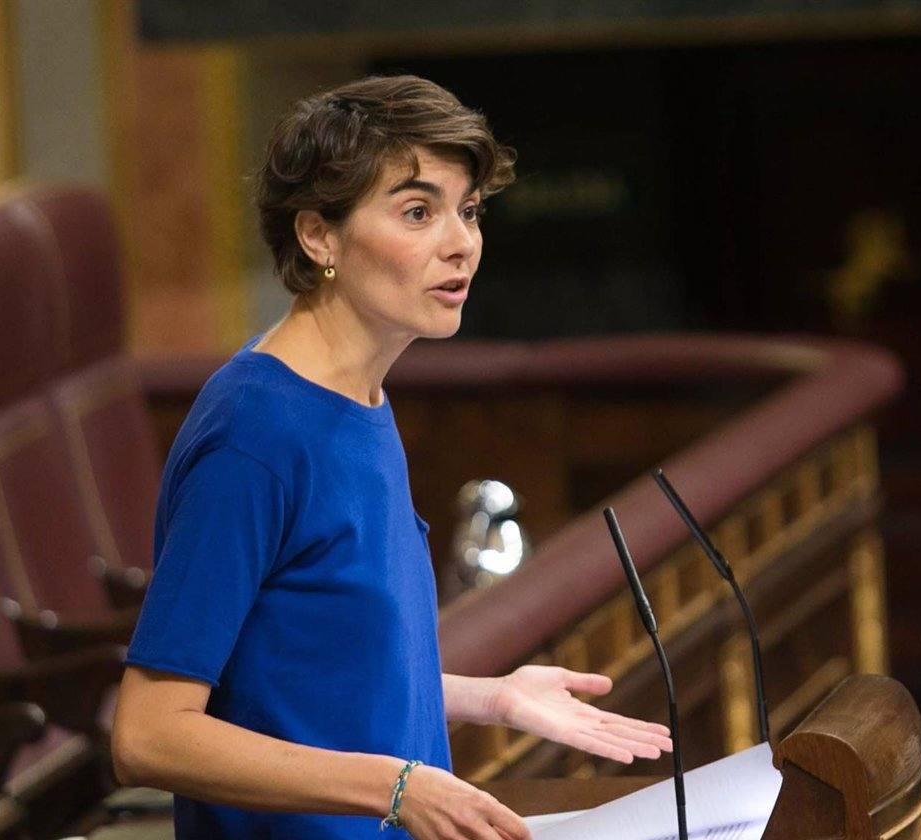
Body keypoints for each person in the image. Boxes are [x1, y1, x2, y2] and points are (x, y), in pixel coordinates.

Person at [111, 75, 672, 840]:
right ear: (319, 236)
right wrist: (396, 786)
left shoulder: (361, 395)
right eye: (418, 212)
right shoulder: (256, 434)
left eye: (468, 211)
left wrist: (491, 697)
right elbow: (149, 733)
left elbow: (303, 673)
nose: (461, 242)